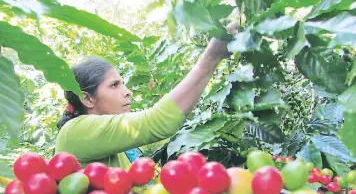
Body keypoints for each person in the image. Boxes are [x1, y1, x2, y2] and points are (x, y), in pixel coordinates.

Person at [55, 29, 236, 170]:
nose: (127, 92)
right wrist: (212, 56)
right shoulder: (74, 132)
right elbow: (158, 122)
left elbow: (174, 135)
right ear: (87, 99)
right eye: (114, 85)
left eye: (123, 84)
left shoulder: (121, 143)